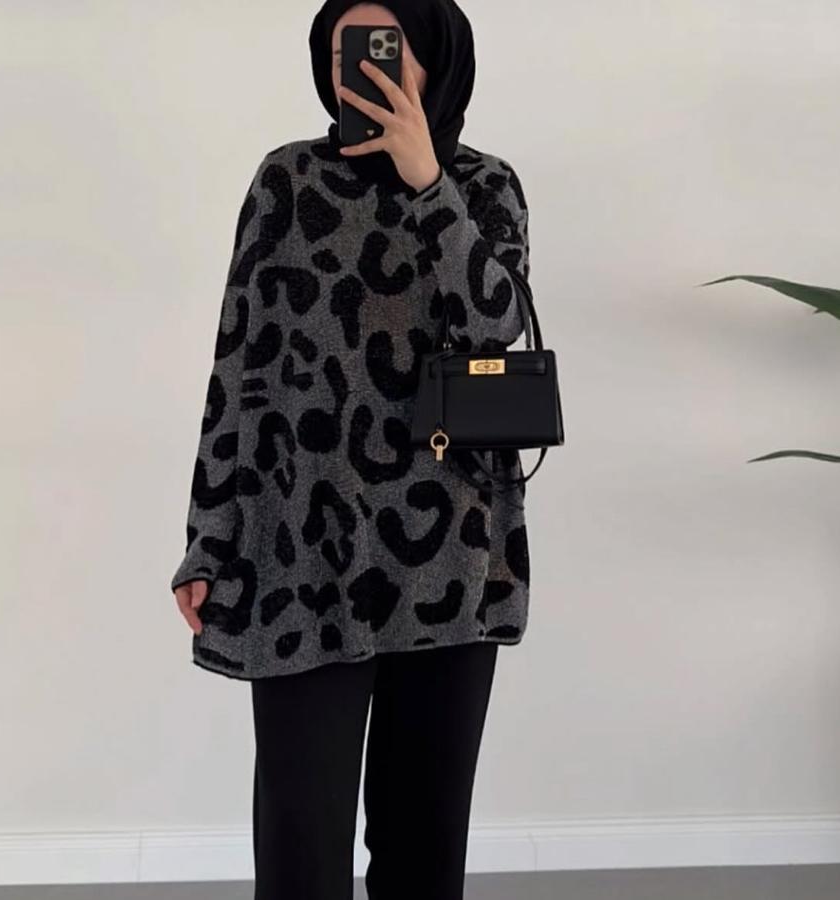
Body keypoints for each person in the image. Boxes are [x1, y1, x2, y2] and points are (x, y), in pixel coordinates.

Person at [170, 1, 532, 897]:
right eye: (346, 53)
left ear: (436, 59)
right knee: (301, 847)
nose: (363, 72)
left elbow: (496, 329)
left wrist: (427, 182)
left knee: (423, 849)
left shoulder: (484, 186)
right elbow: (237, 367)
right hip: (303, 549)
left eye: (386, 51)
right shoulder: (286, 181)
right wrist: (208, 537)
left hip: (450, 556)